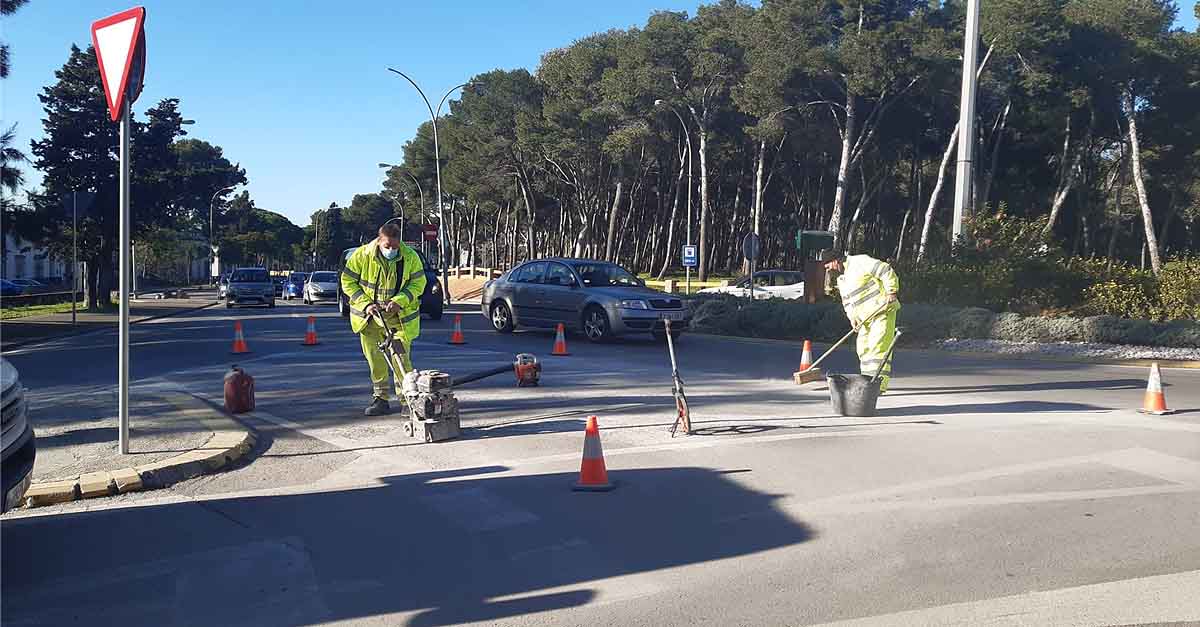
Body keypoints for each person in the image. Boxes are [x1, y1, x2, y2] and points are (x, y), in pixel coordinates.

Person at [341, 222, 428, 416]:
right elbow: (347, 282)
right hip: (370, 318)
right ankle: (380, 399)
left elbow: (418, 283)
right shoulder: (362, 256)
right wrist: (365, 304)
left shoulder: (410, 257)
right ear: (379, 241)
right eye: (387, 246)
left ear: (400, 243)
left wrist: (400, 300)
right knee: (376, 361)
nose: (391, 250)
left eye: (395, 247)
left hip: (398, 318)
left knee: (401, 360)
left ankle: (407, 400)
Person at [820, 250, 900, 392]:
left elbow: (885, 269)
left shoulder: (860, 262)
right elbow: (847, 302)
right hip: (865, 319)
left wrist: (891, 291)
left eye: (828, 266)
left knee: (877, 348)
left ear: (836, 261)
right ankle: (868, 380)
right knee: (863, 350)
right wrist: (852, 318)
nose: (828, 270)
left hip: (882, 311)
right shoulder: (842, 279)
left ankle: (878, 385)